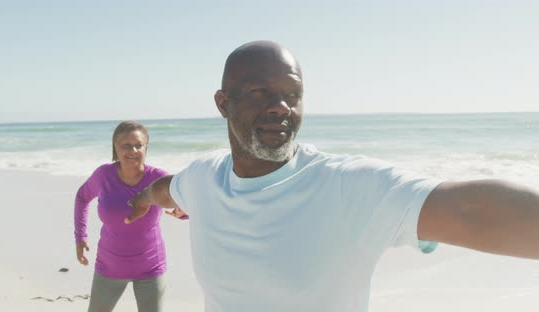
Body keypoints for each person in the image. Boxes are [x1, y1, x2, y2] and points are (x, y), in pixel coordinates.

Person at [125, 41, 539, 312]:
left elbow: (469, 210)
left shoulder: (349, 186)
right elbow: (167, 189)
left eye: (292, 94)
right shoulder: (203, 177)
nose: (281, 106)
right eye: (259, 92)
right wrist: (142, 200)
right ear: (222, 103)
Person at [74, 121, 187, 312]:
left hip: (150, 266)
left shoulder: (158, 179)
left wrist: (183, 212)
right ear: (115, 147)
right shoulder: (103, 175)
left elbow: (186, 202)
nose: (133, 150)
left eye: (138, 145)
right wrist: (80, 236)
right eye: (126, 145)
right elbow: (82, 197)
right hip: (109, 265)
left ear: (146, 147)